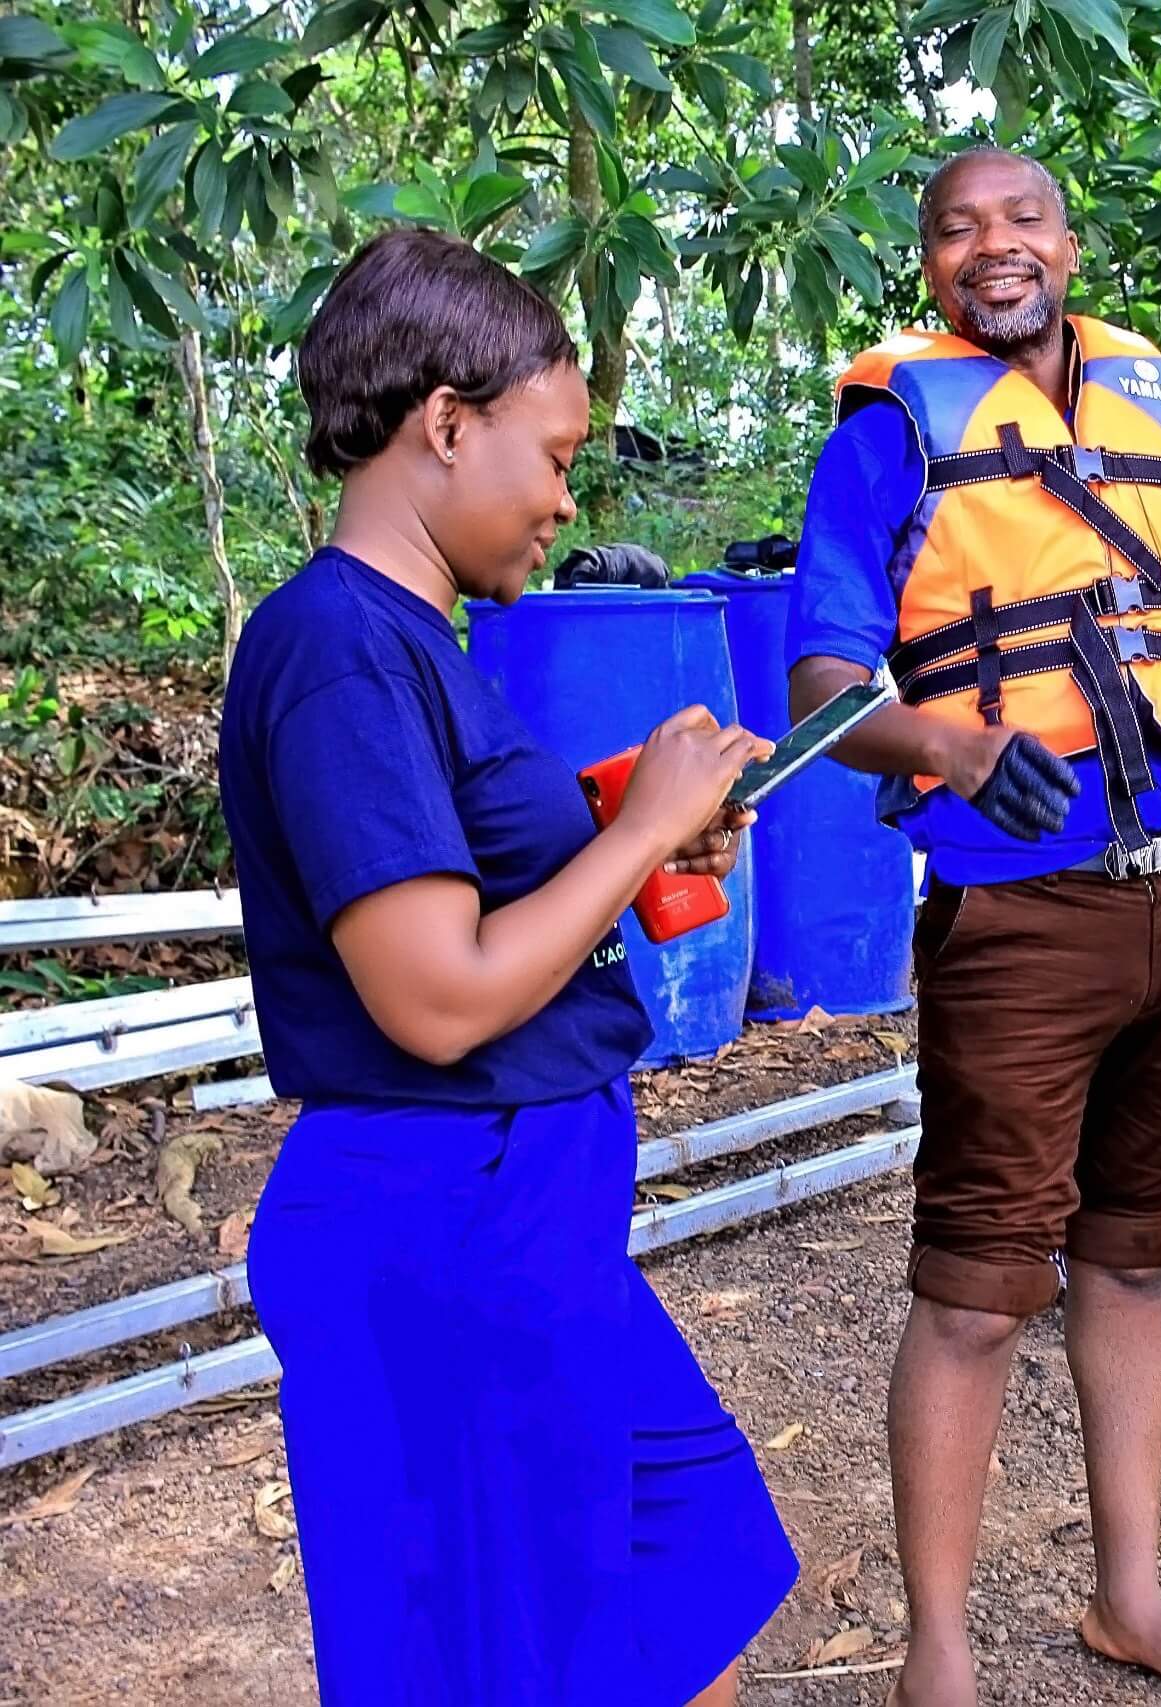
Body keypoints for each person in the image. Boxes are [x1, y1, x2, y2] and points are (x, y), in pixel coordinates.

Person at [784, 146, 1161, 1707]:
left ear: (1071, 238)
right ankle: (942, 1658)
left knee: (1132, 1253)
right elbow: (824, 692)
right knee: (979, 1284)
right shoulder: (888, 435)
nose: (996, 245)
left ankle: (1130, 1596)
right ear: (928, 264)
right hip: (1021, 914)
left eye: (1024, 217)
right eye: (960, 228)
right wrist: (954, 745)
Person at [220, 229, 797, 1705]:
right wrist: (641, 831)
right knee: (512, 1654)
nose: (562, 501)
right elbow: (436, 994)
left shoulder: (419, 639)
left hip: (528, 1200)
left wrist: (620, 830)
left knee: (684, 1563)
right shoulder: (337, 647)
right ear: (447, 422)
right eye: (551, 457)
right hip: (443, 1205)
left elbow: (468, 882)